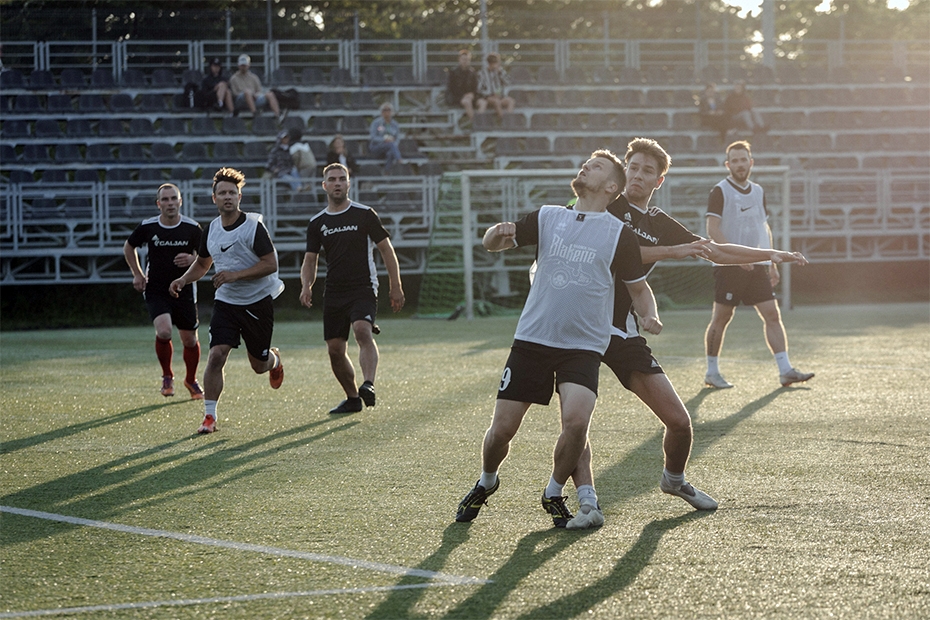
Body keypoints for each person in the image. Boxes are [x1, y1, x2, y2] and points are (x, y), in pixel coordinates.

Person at [564, 138, 809, 529]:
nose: (638, 175)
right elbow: (610, 250)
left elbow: (711, 249)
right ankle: (587, 499)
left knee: (680, 422)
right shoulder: (602, 203)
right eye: (634, 167)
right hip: (575, 326)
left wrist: (768, 255)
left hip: (620, 331)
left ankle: (673, 480)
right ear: (622, 171)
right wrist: (675, 252)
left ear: (658, 180)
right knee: (575, 422)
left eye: (648, 171)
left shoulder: (658, 222)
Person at [455, 150, 661, 529]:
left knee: (577, 422)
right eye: (585, 163)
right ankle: (486, 481)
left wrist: (649, 314)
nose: (585, 167)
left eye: (595, 166)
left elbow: (639, 289)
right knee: (502, 430)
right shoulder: (549, 216)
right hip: (533, 339)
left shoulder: (619, 235)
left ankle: (552, 492)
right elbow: (491, 243)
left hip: (583, 346)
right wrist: (494, 234)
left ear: (610, 186)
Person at [169, 168, 285, 434]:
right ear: (214, 198)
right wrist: (183, 280)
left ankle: (275, 362)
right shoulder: (210, 230)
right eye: (222, 193)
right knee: (216, 356)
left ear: (240, 196)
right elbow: (202, 264)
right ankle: (209, 417)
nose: (227, 197)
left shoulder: (253, 226)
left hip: (257, 302)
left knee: (258, 366)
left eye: (232, 192)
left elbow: (270, 264)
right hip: (227, 303)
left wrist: (236, 275)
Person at [704, 140, 813, 389]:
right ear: (728, 164)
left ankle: (785, 370)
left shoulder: (758, 191)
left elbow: (764, 227)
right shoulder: (719, 191)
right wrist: (737, 257)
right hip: (730, 265)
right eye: (735, 160)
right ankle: (712, 371)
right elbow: (712, 230)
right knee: (722, 317)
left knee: (772, 315)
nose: (740, 164)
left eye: (744, 160)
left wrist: (771, 263)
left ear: (751, 162)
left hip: (758, 266)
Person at [300, 163, 405, 414]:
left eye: (342, 179)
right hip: (334, 291)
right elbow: (310, 259)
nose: (338, 183)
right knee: (335, 350)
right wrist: (306, 286)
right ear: (324, 185)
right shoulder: (317, 222)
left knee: (361, 330)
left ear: (349, 183)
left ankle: (368, 384)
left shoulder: (365, 214)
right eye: (332, 179)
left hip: (363, 286)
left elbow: (386, 249)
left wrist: (396, 286)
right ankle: (352, 398)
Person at [123, 183, 204, 400]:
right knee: (165, 331)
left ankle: (191, 379)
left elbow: (207, 255)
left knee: (189, 340)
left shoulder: (193, 228)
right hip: (156, 289)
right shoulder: (148, 227)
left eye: (173, 198)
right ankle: (167, 376)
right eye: (165, 200)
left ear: (180, 201)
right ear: (159, 204)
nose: (170, 203)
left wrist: (192, 259)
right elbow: (128, 247)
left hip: (184, 288)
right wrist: (138, 274)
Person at [228, 54, 283, 122]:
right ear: (238, 65)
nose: (243, 67)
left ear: (248, 65)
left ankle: (278, 115)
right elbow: (234, 93)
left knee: (270, 94)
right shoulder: (233, 78)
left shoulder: (254, 77)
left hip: (254, 98)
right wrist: (248, 94)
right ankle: (255, 113)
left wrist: (255, 95)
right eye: (242, 65)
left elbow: (259, 90)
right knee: (247, 92)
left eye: (244, 65)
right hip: (240, 100)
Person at [476, 53, 515, 118]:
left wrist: (500, 73)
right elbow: (479, 89)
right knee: (496, 102)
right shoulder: (482, 73)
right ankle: (503, 120)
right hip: (489, 98)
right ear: (490, 63)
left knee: (511, 101)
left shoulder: (500, 72)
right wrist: (490, 94)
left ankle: (508, 120)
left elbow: (508, 82)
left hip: (500, 97)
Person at [368, 102, 403, 170]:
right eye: (384, 110)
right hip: (377, 147)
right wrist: (384, 139)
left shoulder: (395, 125)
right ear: (381, 112)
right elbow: (373, 137)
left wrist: (394, 144)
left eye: (388, 110)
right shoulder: (376, 123)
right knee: (391, 144)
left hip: (391, 147)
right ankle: (399, 160)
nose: (387, 112)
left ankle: (387, 171)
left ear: (392, 112)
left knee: (391, 152)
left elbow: (397, 138)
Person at [447, 49, 479, 121]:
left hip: (471, 97)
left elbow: (476, 87)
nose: (465, 61)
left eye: (467, 59)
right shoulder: (453, 72)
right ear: (459, 59)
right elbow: (452, 88)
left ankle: (483, 124)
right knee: (466, 101)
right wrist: (464, 95)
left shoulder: (472, 72)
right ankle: (475, 123)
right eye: (463, 59)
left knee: (482, 103)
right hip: (457, 98)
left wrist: (472, 94)